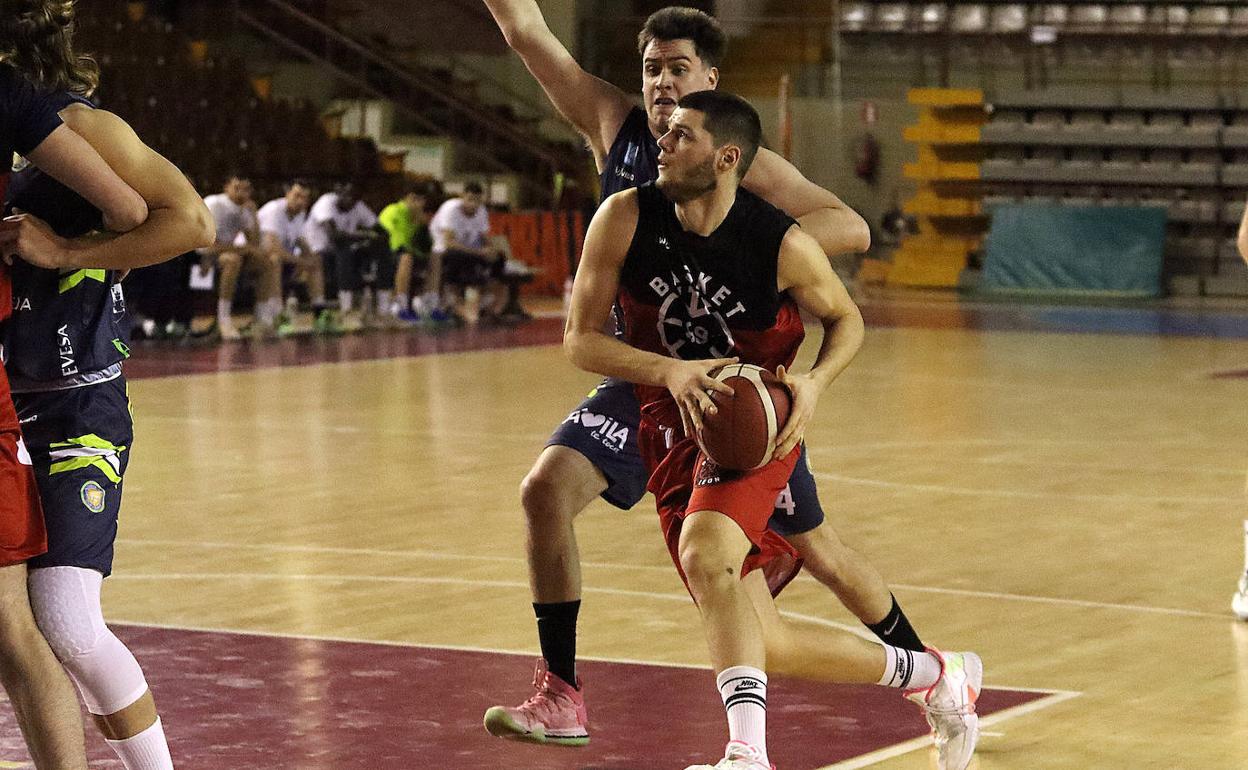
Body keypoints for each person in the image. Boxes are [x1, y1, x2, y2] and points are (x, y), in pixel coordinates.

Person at [480, 3, 933, 746]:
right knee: (544, 491)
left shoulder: (732, 158)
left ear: (710, 81)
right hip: (646, 375)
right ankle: (562, 693)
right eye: (652, 68)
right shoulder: (619, 132)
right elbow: (529, 35)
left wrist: (738, 248)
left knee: (817, 548)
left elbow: (849, 226)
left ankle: (926, 671)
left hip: (727, 382)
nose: (660, 83)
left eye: (677, 69)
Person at [562, 91, 980, 770]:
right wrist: (668, 372)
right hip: (669, 424)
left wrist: (812, 385)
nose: (661, 142)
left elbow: (847, 321)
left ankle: (747, 755)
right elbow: (580, 341)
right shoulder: (624, 217)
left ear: (724, 158)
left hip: (752, 422)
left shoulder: (778, 241)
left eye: (681, 136)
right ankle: (934, 674)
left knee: (707, 555)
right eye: (665, 134)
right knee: (767, 640)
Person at [1, 32, 215, 770]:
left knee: (64, 618)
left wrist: (64, 253)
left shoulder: (83, 126)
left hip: (71, 400)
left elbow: (191, 222)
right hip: (5, 393)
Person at [200, 174, 280, 340]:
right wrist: (242, 249)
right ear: (226, 188)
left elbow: (255, 244)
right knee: (232, 260)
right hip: (200, 255)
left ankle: (261, 319)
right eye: (237, 188)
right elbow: (206, 245)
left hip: (227, 252)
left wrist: (254, 215)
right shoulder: (215, 204)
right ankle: (224, 320)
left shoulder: (245, 208)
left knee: (267, 262)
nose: (242, 193)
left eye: (246, 189)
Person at [305, 182, 391, 330]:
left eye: (354, 198)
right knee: (344, 250)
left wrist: (370, 240)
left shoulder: (358, 206)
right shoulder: (325, 203)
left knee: (383, 250)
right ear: (338, 193)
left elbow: (383, 233)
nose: (350, 200)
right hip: (319, 251)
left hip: (346, 249)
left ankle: (384, 310)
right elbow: (335, 236)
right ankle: (347, 310)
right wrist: (365, 236)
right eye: (346, 196)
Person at [428, 181, 509, 324]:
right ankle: (455, 302)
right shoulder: (450, 210)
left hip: (470, 249)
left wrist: (491, 249)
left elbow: (485, 237)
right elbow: (449, 242)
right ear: (463, 197)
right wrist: (478, 252)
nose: (473, 204)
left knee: (498, 258)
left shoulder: (481, 211)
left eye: (477, 201)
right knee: (458, 258)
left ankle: (491, 302)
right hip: (445, 248)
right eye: (470, 200)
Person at [256, 178, 319, 334]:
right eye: (297, 196)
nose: (301, 201)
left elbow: (300, 240)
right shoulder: (274, 210)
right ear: (287, 193)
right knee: (274, 260)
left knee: (316, 261)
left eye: (305, 198)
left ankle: (320, 311)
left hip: (285, 258)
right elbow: (273, 248)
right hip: (257, 259)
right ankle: (278, 314)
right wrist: (302, 261)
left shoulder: (300, 213)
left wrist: (310, 258)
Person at [377, 183, 436, 324]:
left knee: (435, 257)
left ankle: (431, 305)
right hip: (387, 253)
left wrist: (423, 227)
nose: (420, 204)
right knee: (406, 257)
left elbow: (427, 245)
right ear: (409, 198)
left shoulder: (419, 219)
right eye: (417, 200)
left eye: (422, 201)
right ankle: (400, 306)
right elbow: (384, 234)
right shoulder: (393, 211)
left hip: (409, 253)